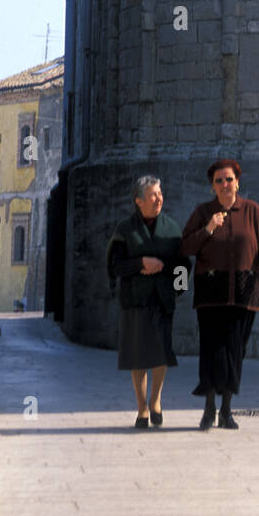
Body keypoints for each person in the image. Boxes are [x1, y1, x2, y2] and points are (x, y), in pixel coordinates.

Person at [180, 159, 259, 431]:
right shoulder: (203, 212)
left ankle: (226, 410)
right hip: (211, 294)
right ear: (212, 187)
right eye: (219, 181)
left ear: (238, 182)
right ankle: (209, 408)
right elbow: (186, 246)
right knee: (213, 350)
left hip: (244, 294)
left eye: (229, 179)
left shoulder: (252, 211)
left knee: (235, 352)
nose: (225, 184)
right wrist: (209, 228)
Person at [107, 175, 186, 429]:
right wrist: (141, 263)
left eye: (160, 193)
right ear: (139, 201)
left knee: (161, 353)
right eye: (153, 195)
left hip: (162, 300)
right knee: (137, 356)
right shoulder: (125, 229)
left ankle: (156, 399)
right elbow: (115, 265)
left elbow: (184, 265)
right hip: (135, 300)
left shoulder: (172, 229)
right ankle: (141, 407)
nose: (158, 198)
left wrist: (177, 290)